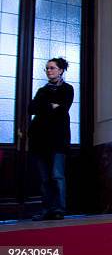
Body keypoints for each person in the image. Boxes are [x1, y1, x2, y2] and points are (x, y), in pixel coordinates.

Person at [29, 57, 74, 221]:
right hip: (40, 140)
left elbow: (62, 109)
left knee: (57, 176)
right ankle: (46, 210)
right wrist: (50, 106)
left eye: (52, 68)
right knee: (45, 178)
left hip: (58, 140)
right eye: (47, 68)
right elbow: (31, 108)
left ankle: (59, 209)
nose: (49, 71)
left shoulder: (67, 89)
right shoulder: (42, 90)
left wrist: (46, 107)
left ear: (60, 70)